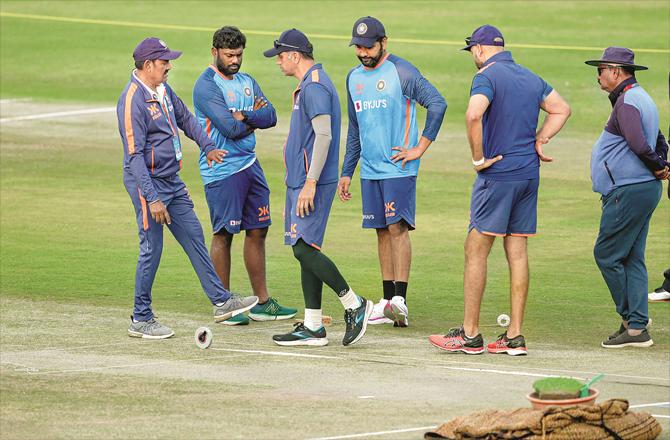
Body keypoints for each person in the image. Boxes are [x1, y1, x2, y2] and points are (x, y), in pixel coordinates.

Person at [428, 25, 571, 355]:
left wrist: (478, 158)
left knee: (475, 247)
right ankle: (515, 335)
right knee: (517, 251)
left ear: (479, 50)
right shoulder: (530, 77)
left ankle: (470, 334)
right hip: (528, 175)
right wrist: (540, 138)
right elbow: (562, 109)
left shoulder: (486, 77)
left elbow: (473, 114)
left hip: (498, 176)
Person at [117, 37, 258, 339]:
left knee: (194, 236)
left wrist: (207, 145)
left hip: (172, 181)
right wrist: (152, 198)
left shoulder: (163, 90)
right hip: (149, 186)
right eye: (164, 61)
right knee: (152, 249)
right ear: (147, 65)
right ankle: (141, 318)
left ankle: (221, 300)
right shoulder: (133, 100)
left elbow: (186, 119)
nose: (169, 65)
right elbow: (134, 157)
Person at [263, 29, 373, 347]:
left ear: (295, 56)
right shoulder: (310, 85)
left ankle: (354, 303)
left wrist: (310, 182)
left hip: (311, 182)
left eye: (281, 56)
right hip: (302, 180)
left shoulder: (314, 88)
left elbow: (323, 136)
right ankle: (313, 326)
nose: (279, 62)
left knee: (302, 248)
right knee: (306, 248)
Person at [338, 16, 447, 327]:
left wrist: (420, 148)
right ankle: (386, 302)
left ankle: (400, 298)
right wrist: (348, 171)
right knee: (381, 231)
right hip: (370, 170)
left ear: (384, 43)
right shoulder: (353, 78)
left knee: (397, 228)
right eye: (357, 47)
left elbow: (437, 104)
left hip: (399, 168)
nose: (362, 52)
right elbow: (355, 129)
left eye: (368, 46)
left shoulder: (402, 71)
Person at [193, 26, 297, 326]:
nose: (235, 61)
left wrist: (245, 117)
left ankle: (262, 303)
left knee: (258, 230)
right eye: (229, 55)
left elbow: (272, 116)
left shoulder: (247, 82)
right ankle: (224, 304)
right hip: (222, 170)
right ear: (215, 52)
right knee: (224, 234)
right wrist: (249, 120)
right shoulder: (206, 86)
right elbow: (230, 129)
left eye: (239, 55)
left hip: (250, 165)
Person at [584, 47, 669, 348]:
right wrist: (662, 165)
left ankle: (634, 319)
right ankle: (636, 330)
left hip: (628, 190)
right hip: (641, 189)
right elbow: (659, 138)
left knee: (606, 254)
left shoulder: (627, 102)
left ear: (616, 71)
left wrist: (659, 167)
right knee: (632, 257)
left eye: (601, 70)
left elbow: (638, 142)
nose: (598, 76)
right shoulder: (639, 97)